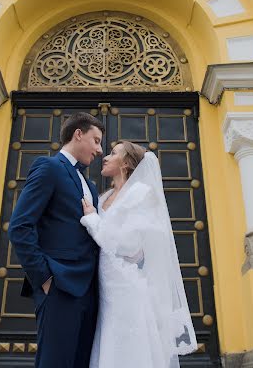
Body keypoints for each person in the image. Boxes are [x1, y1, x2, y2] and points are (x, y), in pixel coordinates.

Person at [81, 141, 197, 368]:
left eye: (113, 153)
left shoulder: (140, 194)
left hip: (125, 288)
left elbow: (130, 247)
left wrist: (93, 220)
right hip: (102, 287)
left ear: (125, 163)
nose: (104, 156)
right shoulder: (103, 197)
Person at [8, 112, 104, 368]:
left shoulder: (91, 185)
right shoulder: (49, 167)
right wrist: (45, 278)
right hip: (60, 285)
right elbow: (20, 226)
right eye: (96, 141)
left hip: (90, 288)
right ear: (78, 134)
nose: (100, 149)